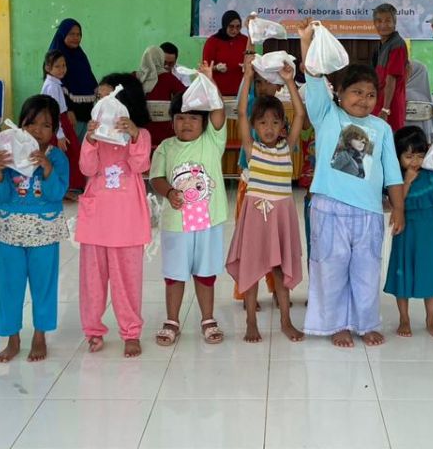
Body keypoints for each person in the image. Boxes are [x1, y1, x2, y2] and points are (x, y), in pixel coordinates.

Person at [296, 18, 404, 348]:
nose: (364, 99)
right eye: (356, 92)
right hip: (328, 208)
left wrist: (398, 209)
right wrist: (306, 41)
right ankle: (336, 324)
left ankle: (365, 322)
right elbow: (313, 74)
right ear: (339, 94)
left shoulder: (382, 129)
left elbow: (393, 174)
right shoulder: (326, 115)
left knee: (367, 269)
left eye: (371, 94)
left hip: (369, 212)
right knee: (331, 267)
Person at [226, 61, 306, 343]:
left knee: (280, 270)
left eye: (275, 122)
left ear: (282, 126)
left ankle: (286, 321)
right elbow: (240, 114)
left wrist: (289, 81)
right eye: (263, 123)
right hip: (256, 215)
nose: (269, 128)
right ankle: (251, 321)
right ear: (255, 126)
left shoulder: (288, 145)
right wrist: (247, 77)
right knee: (250, 268)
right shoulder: (252, 147)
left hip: (281, 215)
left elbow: (299, 114)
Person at [149, 63, 228, 347]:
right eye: (180, 118)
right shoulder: (166, 147)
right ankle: (172, 320)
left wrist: (208, 82)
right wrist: (168, 192)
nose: (186, 124)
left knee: (206, 274)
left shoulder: (213, 141)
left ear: (204, 123)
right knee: (175, 274)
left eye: (193, 118)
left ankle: (207, 318)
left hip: (209, 222)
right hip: (176, 225)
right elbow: (156, 177)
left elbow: (218, 112)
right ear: (172, 121)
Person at [76, 74, 153, 358]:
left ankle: (131, 332)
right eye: (99, 99)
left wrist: (133, 135)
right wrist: (91, 139)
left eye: (110, 99)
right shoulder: (93, 135)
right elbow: (86, 168)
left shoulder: (140, 135)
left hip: (127, 222)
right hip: (95, 221)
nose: (103, 105)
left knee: (127, 282)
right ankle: (93, 331)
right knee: (92, 281)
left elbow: (140, 164)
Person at [0, 95, 69, 363]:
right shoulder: (8, 154)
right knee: (9, 286)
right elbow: (0, 194)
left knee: (43, 286)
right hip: (10, 230)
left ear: (55, 129)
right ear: (21, 125)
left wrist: (47, 169)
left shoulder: (56, 157)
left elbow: (57, 194)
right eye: (31, 123)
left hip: (44, 231)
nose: (38, 130)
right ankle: (12, 339)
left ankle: (39, 335)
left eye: (46, 125)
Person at [382, 126, 433, 338]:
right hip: (407, 231)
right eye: (408, 156)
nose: (415, 161)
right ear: (398, 157)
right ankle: (404, 319)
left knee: (430, 273)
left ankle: (430, 319)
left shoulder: (431, 169)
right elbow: (396, 202)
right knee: (403, 272)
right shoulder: (395, 177)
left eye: (420, 155)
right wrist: (406, 181)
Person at [48, 19, 96, 190]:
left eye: (79, 34)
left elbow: (89, 80)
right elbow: (61, 88)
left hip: (85, 110)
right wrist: (68, 111)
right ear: (63, 35)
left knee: (82, 149)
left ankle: (80, 184)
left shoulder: (80, 55)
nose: (76, 38)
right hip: (69, 114)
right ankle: (66, 186)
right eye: (71, 34)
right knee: (69, 151)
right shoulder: (58, 55)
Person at [137, 45, 187, 149]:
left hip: (140, 131)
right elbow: (186, 95)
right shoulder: (168, 78)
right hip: (164, 133)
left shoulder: (134, 77)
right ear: (161, 59)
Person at [373, 3, 408, 131]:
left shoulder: (397, 44)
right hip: (381, 101)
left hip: (390, 105)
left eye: (388, 20)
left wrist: (385, 109)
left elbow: (391, 79)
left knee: (391, 141)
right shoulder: (382, 43)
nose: (383, 25)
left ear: (394, 23)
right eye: (379, 21)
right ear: (374, 24)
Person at [201, 10, 249, 97]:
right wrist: (216, 68)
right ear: (225, 25)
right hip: (217, 93)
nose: (235, 30)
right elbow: (204, 68)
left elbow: (252, 60)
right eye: (231, 27)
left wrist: (247, 65)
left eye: (238, 27)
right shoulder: (212, 42)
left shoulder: (245, 40)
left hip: (240, 92)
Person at [40, 50, 71, 151]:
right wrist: (60, 135)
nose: (62, 69)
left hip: (59, 122)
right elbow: (53, 113)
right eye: (57, 66)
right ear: (48, 68)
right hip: (56, 123)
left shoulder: (54, 83)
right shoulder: (52, 86)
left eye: (64, 65)